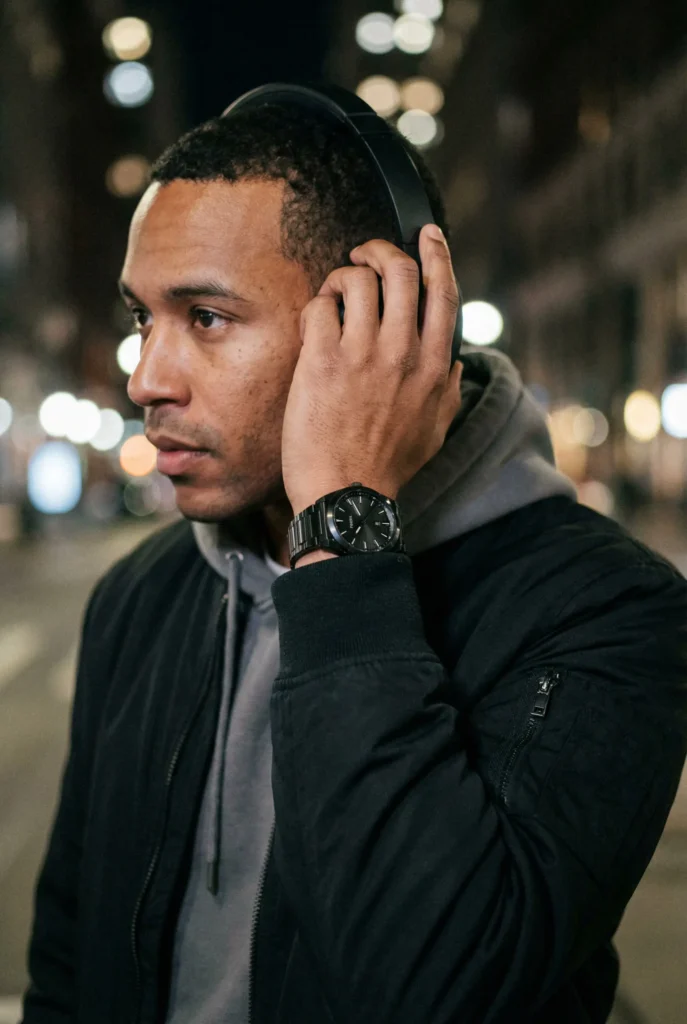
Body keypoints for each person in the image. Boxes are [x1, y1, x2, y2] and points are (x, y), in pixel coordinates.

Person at [22, 101, 687, 1024]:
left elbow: (437, 987)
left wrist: (342, 528)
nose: (146, 378)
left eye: (206, 316)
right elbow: (68, 963)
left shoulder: (604, 607)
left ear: (388, 321)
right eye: (144, 316)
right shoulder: (142, 593)